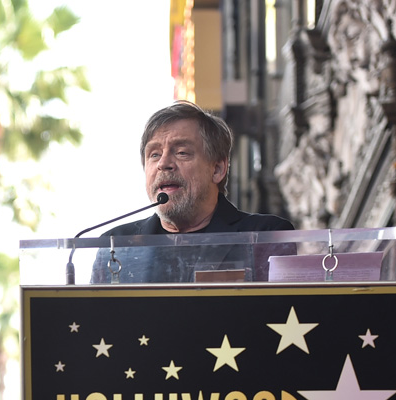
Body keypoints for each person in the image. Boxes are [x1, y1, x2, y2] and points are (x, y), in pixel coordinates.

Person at [90, 101, 294, 285]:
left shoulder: (265, 236)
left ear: (217, 169)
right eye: (154, 154)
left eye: (181, 153)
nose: (163, 164)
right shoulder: (116, 245)